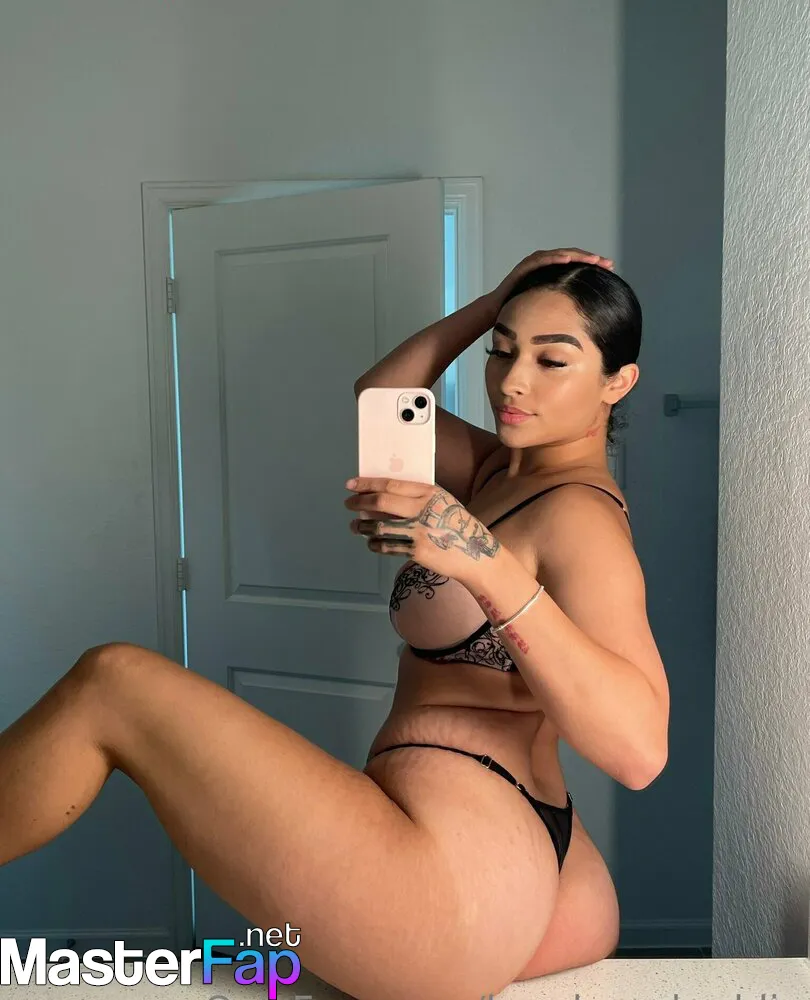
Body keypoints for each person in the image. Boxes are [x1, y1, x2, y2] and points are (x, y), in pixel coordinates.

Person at [0, 248, 669, 1000]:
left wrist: (481, 561)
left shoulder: (579, 517)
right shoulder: (501, 470)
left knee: (112, 683)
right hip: (524, 853)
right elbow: (383, 399)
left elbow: (640, 751)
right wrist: (496, 298)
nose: (512, 381)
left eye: (552, 360)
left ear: (618, 381)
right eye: (502, 349)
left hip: (463, 880)